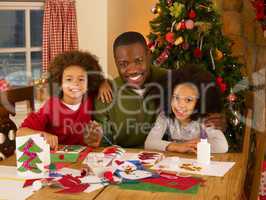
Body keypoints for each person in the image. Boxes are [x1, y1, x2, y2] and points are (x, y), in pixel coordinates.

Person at [94, 31, 226, 148]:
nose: (133, 70)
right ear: (116, 62)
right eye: (123, 64)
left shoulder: (171, 80)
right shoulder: (105, 93)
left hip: (167, 159)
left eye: (139, 60)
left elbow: (202, 98)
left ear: (148, 55)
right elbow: (103, 141)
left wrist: (219, 119)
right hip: (124, 161)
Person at [16, 51, 104, 150]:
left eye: (81, 79)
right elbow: (20, 133)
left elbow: (100, 80)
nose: (75, 84)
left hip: (83, 157)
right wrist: (43, 135)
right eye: (69, 79)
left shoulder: (89, 98)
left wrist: (104, 84)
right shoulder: (51, 106)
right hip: (58, 157)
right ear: (60, 83)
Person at [144, 65, 228, 153]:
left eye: (188, 100)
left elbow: (222, 146)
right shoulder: (165, 116)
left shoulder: (204, 120)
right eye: (176, 97)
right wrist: (176, 146)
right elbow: (149, 143)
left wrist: (198, 146)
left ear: (200, 102)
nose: (180, 105)